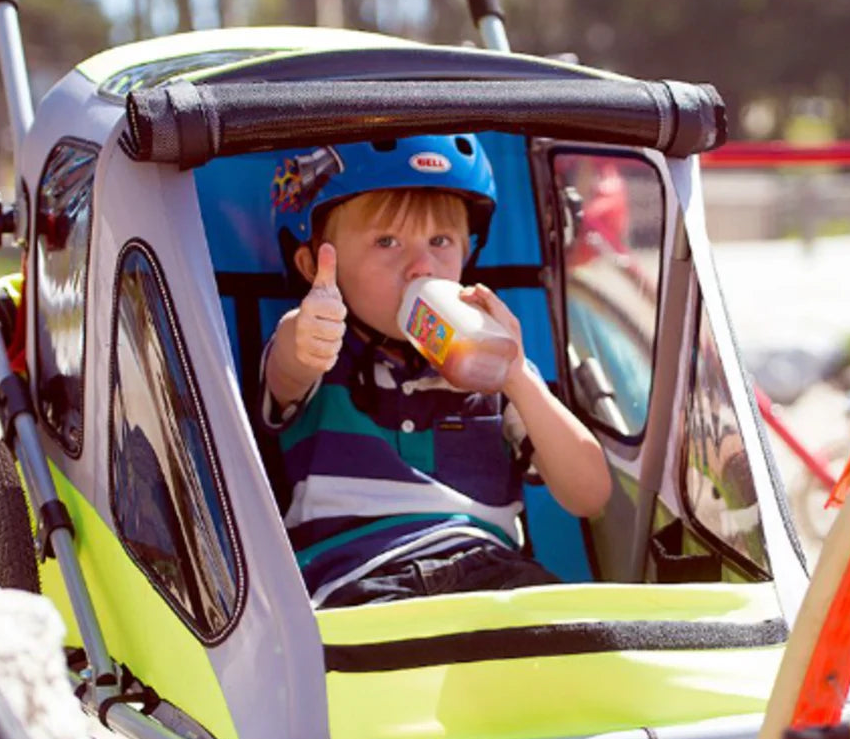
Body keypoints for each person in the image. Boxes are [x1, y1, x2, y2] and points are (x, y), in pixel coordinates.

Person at [260, 134, 611, 608]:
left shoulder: (494, 366)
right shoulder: (319, 347)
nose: (420, 266)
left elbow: (589, 497)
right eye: (386, 241)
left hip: (491, 573)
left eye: (441, 241)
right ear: (311, 264)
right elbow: (290, 365)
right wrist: (307, 331)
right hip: (356, 581)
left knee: (580, 629)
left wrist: (518, 378)